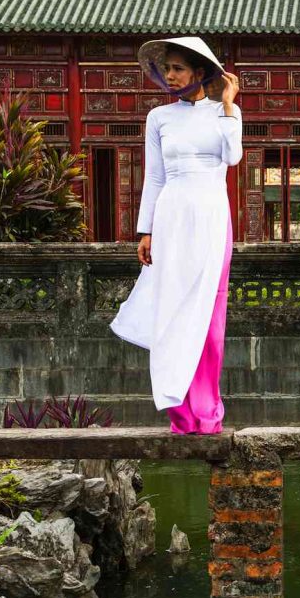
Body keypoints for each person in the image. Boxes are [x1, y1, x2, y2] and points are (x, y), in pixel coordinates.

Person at [110, 37, 242, 435]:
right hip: (171, 215)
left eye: (178, 68)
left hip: (210, 215)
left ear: (199, 73)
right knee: (172, 309)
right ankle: (181, 415)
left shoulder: (225, 113)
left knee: (209, 317)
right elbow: (154, 176)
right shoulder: (159, 118)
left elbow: (233, 157)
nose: (169, 75)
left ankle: (208, 412)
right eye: (166, 68)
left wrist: (230, 103)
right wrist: (145, 229)